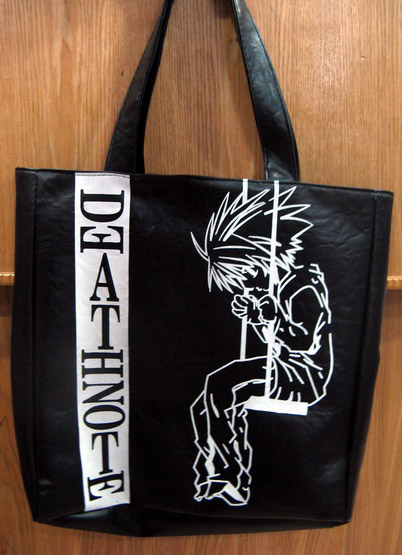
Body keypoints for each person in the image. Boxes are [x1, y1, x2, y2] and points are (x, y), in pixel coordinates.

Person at [190, 186, 333, 506]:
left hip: (304, 375)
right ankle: (210, 473)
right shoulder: (277, 288)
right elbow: (276, 339)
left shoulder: (302, 285)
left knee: (221, 387)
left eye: (247, 273)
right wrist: (258, 316)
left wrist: (267, 315)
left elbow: (303, 343)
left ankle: (229, 476)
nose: (245, 285)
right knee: (205, 403)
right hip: (284, 366)